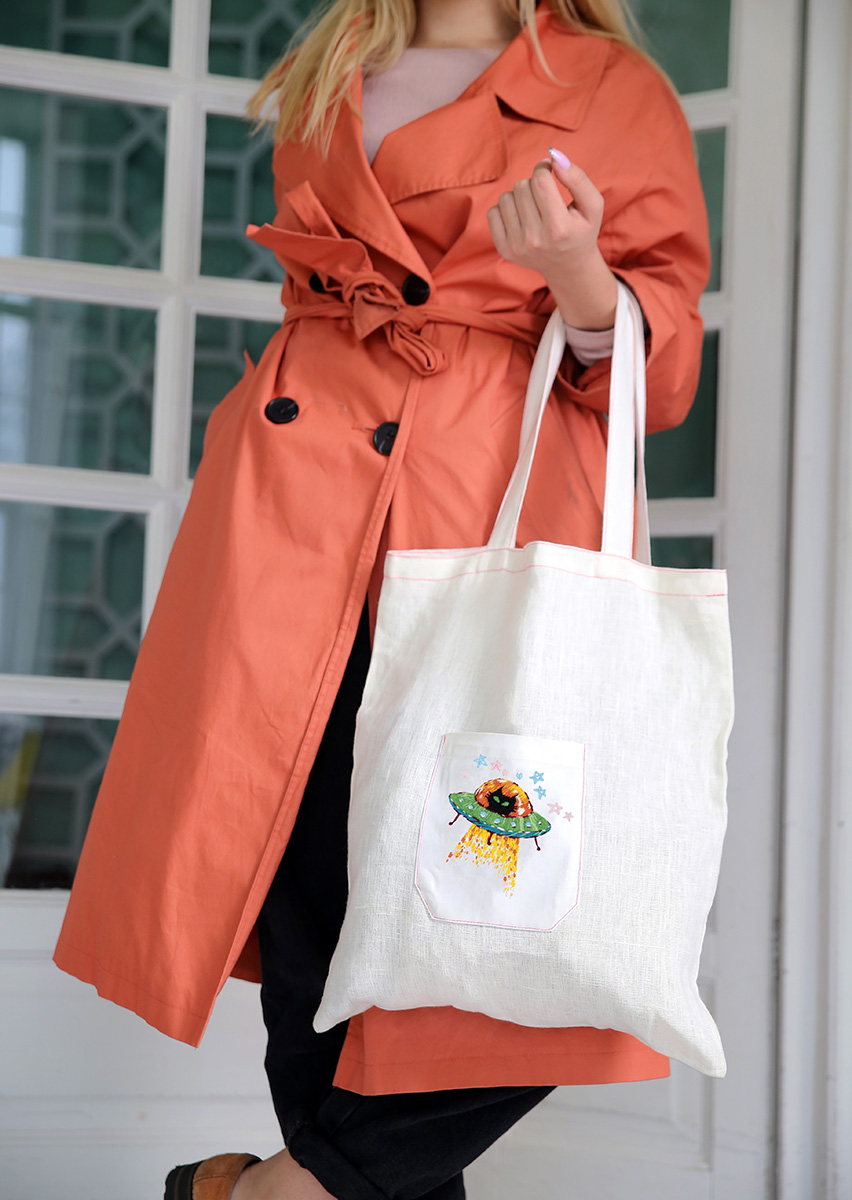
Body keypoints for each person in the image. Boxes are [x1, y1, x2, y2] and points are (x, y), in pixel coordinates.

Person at [52, 0, 712, 1196]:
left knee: (511, 912)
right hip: (291, 518)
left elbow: (661, 378)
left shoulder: (609, 87)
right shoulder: (332, 70)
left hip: (485, 514)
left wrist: (576, 272)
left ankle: (265, 1193)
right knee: (315, 899)